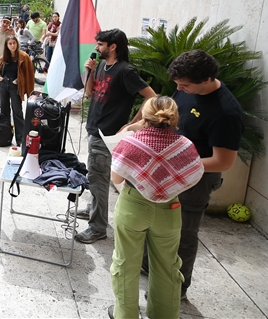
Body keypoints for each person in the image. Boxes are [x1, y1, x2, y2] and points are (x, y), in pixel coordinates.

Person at [133, 50, 244, 301]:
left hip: (195, 180)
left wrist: (178, 164)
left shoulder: (226, 112)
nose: (179, 90)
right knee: (154, 221)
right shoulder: (184, 90)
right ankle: (149, 267)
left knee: (183, 232)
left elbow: (223, 161)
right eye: (177, 84)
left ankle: (175, 288)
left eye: (184, 85)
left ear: (206, 80)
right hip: (166, 169)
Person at [109, 96, 204, 319]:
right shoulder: (185, 145)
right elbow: (195, 175)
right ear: (175, 117)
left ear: (144, 116)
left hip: (133, 205)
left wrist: (132, 129)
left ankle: (125, 314)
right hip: (170, 209)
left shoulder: (132, 142)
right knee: (167, 266)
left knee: (126, 262)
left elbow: (116, 176)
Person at [75, 29, 157, 244]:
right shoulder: (102, 65)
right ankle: (94, 210)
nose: (96, 48)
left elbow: (152, 98)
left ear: (113, 46)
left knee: (99, 179)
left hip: (107, 133)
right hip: (95, 128)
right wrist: (90, 72)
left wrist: (132, 124)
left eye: (101, 44)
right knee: (95, 176)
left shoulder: (125, 71)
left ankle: (98, 227)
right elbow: (89, 93)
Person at [0, 37, 35, 145]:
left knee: (17, 112)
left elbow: (28, 73)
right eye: (10, 43)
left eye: (14, 43)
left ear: (17, 43)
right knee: (4, 111)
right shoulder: (4, 57)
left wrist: (18, 81)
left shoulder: (23, 56)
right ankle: (5, 136)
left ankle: (20, 139)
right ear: (7, 45)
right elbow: (0, 71)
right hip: (4, 85)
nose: (12, 45)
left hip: (15, 86)